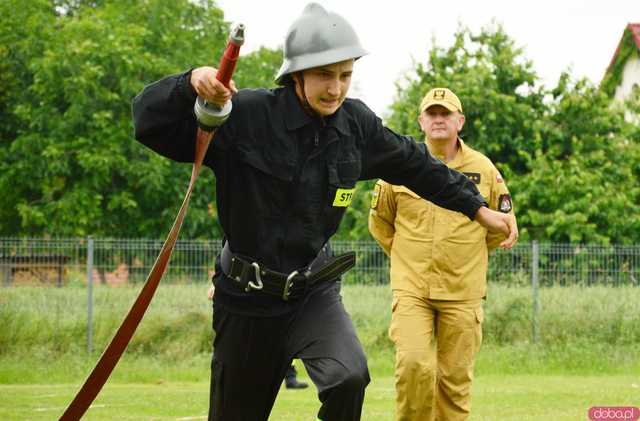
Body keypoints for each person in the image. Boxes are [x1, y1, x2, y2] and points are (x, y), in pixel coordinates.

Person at [132, 3, 517, 420]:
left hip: (312, 292)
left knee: (348, 377)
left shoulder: (357, 126)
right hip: (247, 299)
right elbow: (149, 124)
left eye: (345, 75)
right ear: (296, 74)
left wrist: (477, 208)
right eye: (324, 75)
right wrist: (190, 83)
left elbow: (416, 164)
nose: (336, 89)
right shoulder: (248, 117)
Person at [368, 87, 517, 421]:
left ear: (459, 121)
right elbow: (380, 224)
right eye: (431, 114)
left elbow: (499, 226)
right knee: (414, 366)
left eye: (445, 113)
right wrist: (409, 258)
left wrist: (466, 257)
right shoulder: (398, 165)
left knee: (454, 382)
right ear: (421, 121)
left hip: (463, 292)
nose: (438, 119)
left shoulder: (483, 169)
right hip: (413, 289)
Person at [207, 285, 308, 390]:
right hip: (248, 296)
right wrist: (216, 284)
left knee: (283, 338)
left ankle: (289, 377)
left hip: (272, 295)